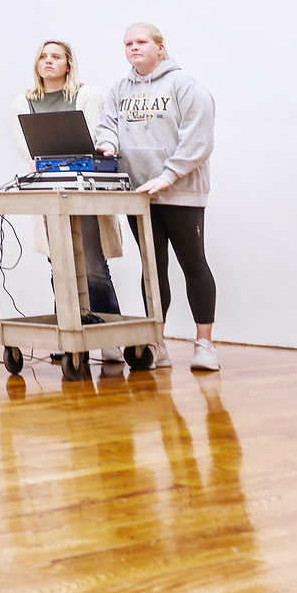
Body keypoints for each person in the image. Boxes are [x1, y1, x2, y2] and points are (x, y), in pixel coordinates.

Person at [106, 23, 220, 371]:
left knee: (193, 264)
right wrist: (108, 144)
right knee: (152, 271)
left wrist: (168, 176)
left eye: (141, 42)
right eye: (128, 43)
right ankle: (158, 345)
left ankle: (204, 345)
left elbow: (199, 139)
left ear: (160, 47)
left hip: (181, 193)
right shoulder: (119, 89)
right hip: (140, 197)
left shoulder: (184, 86)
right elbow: (107, 125)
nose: (134, 48)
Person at [11, 39, 129, 361]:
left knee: (92, 264)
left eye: (56, 57)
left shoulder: (87, 95)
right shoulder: (24, 101)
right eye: (43, 57)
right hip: (49, 191)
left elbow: (89, 138)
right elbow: (28, 149)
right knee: (59, 265)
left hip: (82, 191)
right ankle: (69, 336)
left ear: (68, 64)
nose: (48, 61)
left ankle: (108, 339)